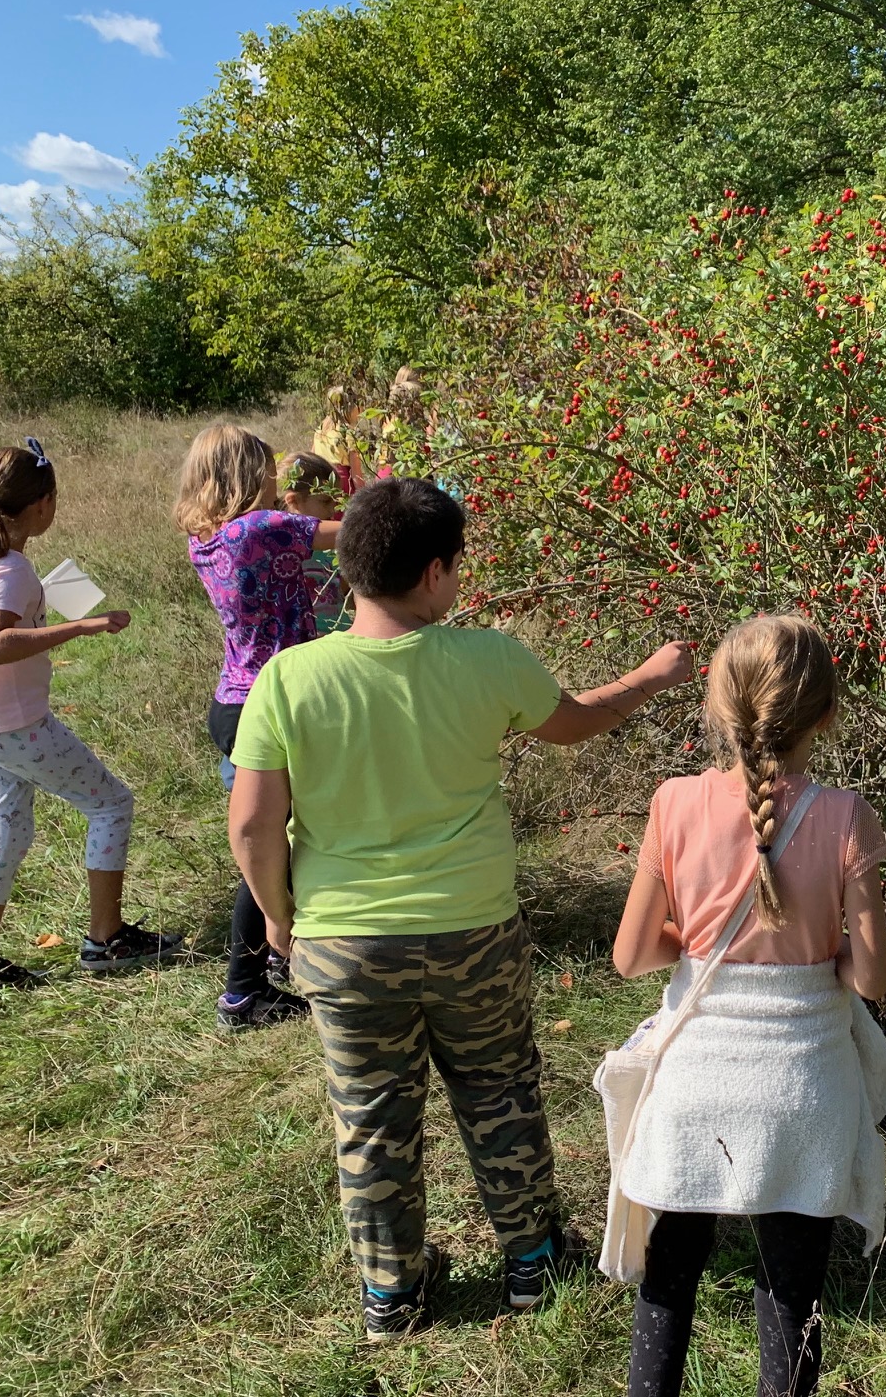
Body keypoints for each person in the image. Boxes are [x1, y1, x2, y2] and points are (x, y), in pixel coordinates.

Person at [226, 476, 695, 1340]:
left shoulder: (288, 678)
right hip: (474, 930)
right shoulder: (488, 659)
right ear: (435, 572)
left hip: (344, 943)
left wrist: (281, 920)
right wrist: (653, 676)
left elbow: (253, 826)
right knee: (499, 1090)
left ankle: (393, 1294)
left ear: (349, 565)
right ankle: (532, 1262)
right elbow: (575, 722)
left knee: (371, 1119)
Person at [613, 613, 886, 1397]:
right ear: (827, 714)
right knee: (792, 1290)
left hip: (694, 1084)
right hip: (804, 1090)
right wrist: (830, 957)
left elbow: (631, 955)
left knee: (671, 1276)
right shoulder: (847, 815)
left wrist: (693, 943)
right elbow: (873, 978)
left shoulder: (673, 802)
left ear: (716, 705)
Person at [0, 442, 182, 989]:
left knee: (6, 832)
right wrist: (82, 625)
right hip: (14, 724)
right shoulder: (10, 568)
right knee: (111, 804)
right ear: (42, 504)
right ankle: (107, 939)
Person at [177, 425, 343, 1031]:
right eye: (267, 466)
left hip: (235, 696)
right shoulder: (259, 528)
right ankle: (244, 991)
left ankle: (274, 961)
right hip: (272, 701)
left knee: (269, 838)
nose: (276, 475)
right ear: (248, 473)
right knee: (268, 846)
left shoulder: (207, 536)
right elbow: (359, 532)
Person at [279, 451, 349, 634]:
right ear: (294, 501)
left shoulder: (330, 543)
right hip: (309, 638)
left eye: (335, 500)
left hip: (340, 632)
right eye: (325, 501)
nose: (333, 509)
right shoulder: (283, 550)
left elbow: (341, 589)